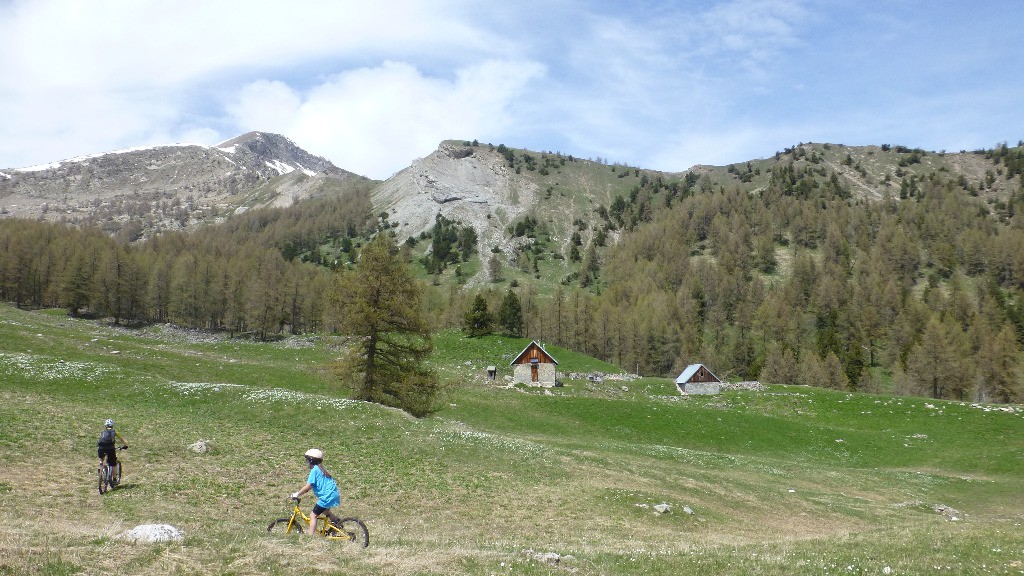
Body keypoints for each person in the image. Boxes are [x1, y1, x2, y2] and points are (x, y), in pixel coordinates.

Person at [290, 448, 340, 535]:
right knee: (324, 510)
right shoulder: (322, 469)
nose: (306, 462)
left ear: (311, 461)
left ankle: (311, 537)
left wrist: (297, 494)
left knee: (313, 516)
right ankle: (336, 521)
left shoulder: (314, 470)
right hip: (333, 494)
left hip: (327, 496)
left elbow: (307, 487)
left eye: (307, 460)